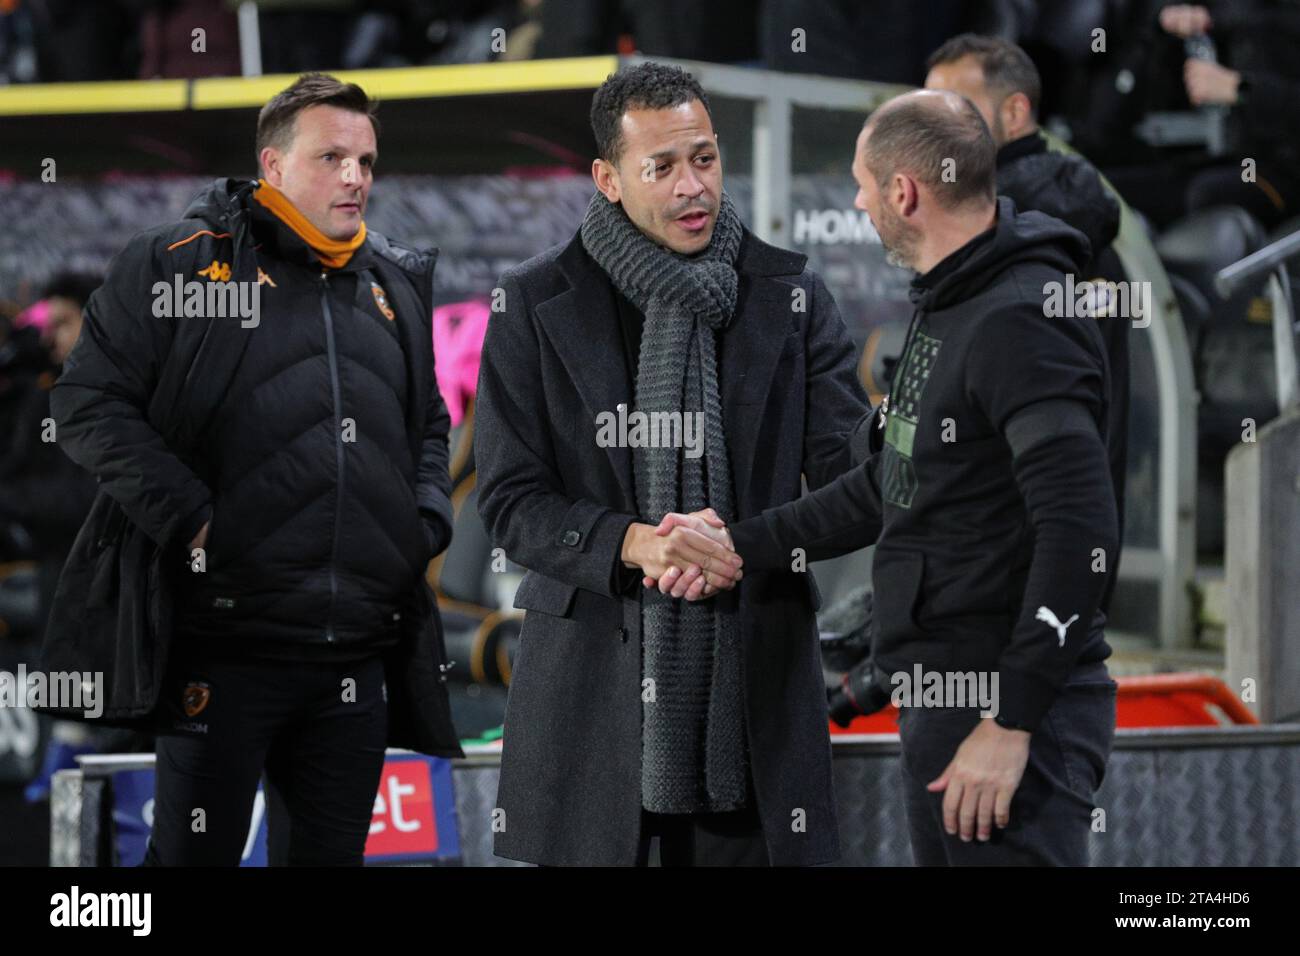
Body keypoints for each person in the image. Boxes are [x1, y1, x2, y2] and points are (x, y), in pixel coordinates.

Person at [661, 89, 1119, 866]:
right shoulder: (954, 301)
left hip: (1005, 721)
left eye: (864, 185)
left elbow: (1081, 536)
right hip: (948, 706)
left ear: (905, 191)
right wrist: (735, 543)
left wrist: (1011, 722)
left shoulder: (1019, 318)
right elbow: (888, 486)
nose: (859, 202)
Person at [43, 72, 461, 866]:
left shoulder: (393, 283)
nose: (355, 177)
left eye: (366, 161)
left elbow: (429, 422)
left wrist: (424, 523)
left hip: (356, 653)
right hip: (225, 649)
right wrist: (197, 519)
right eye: (331, 157)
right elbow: (88, 405)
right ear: (272, 165)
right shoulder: (177, 265)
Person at [474, 62, 873, 867]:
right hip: (590, 723)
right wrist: (635, 544)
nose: (693, 186)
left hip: (755, 717)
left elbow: (850, 486)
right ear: (609, 178)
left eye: (705, 158)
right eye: (662, 167)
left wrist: (888, 442)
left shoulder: (789, 297)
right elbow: (513, 505)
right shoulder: (532, 304)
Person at [923, 33, 1128, 615]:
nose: (932, 127)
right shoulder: (1052, 221)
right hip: (1047, 566)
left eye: (954, 109)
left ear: (1014, 112)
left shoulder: (997, 231)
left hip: (1007, 571)